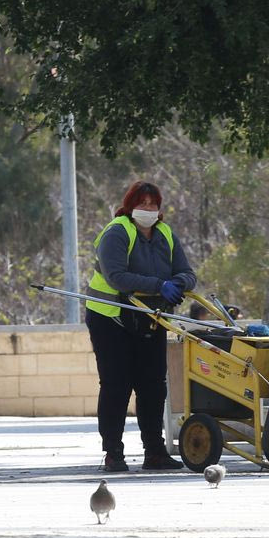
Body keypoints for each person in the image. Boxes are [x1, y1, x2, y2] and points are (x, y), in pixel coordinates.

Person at [85, 181, 197, 472]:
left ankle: (155, 452)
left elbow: (187, 271)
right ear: (130, 204)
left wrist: (179, 284)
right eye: (142, 203)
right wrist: (159, 284)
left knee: (153, 386)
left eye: (152, 203)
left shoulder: (165, 234)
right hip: (112, 317)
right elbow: (117, 276)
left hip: (151, 317)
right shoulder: (117, 232)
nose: (148, 209)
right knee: (116, 386)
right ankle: (113, 453)